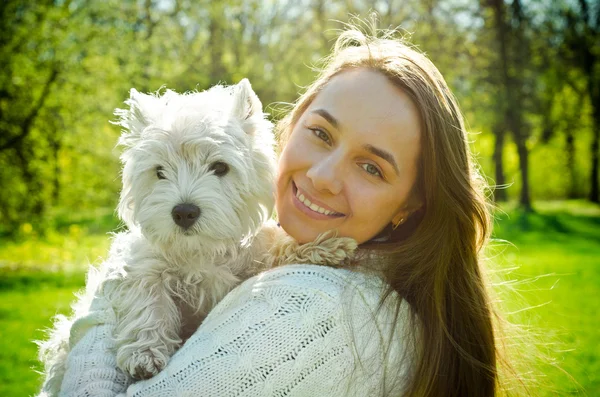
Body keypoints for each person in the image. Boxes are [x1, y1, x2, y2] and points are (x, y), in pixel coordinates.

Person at [55, 24, 508, 397]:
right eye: (321, 133)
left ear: (413, 202)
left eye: (371, 167)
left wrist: (100, 310)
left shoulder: (315, 312)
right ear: (287, 128)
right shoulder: (334, 272)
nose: (323, 177)